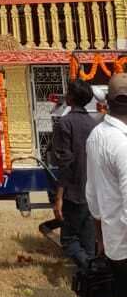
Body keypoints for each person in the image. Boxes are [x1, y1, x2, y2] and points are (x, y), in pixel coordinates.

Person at [40, 72, 127, 297]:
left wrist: (103, 241)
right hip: (124, 243)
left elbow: (94, 196)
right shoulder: (121, 143)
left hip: (114, 243)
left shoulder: (99, 135)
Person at [52, 79, 102, 272]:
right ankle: (89, 287)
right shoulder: (94, 124)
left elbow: (65, 163)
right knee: (89, 243)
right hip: (93, 191)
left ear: (71, 98)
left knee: (68, 240)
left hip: (73, 191)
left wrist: (59, 197)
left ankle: (91, 269)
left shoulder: (65, 124)